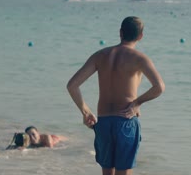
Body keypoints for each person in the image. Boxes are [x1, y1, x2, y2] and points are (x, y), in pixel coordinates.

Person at [67, 16, 165, 175]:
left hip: (104, 121)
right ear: (141, 36)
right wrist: (137, 103)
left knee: (107, 172)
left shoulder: (100, 55)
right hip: (125, 120)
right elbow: (159, 87)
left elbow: (72, 86)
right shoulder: (139, 58)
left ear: (120, 33)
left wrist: (85, 112)